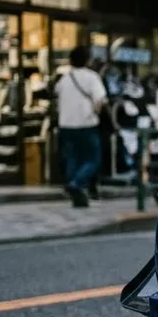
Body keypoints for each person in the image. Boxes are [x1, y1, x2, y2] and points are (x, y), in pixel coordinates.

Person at [54, 47, 107, 208]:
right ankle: (76, 184)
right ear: (87, 60)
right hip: (86, 123)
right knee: (93, 159)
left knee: (72, 158)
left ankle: (74, 189)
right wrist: (95, 111)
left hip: (66, 125)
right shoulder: (92, 77)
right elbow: (100, 99)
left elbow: (57, 96)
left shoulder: (64, 79)